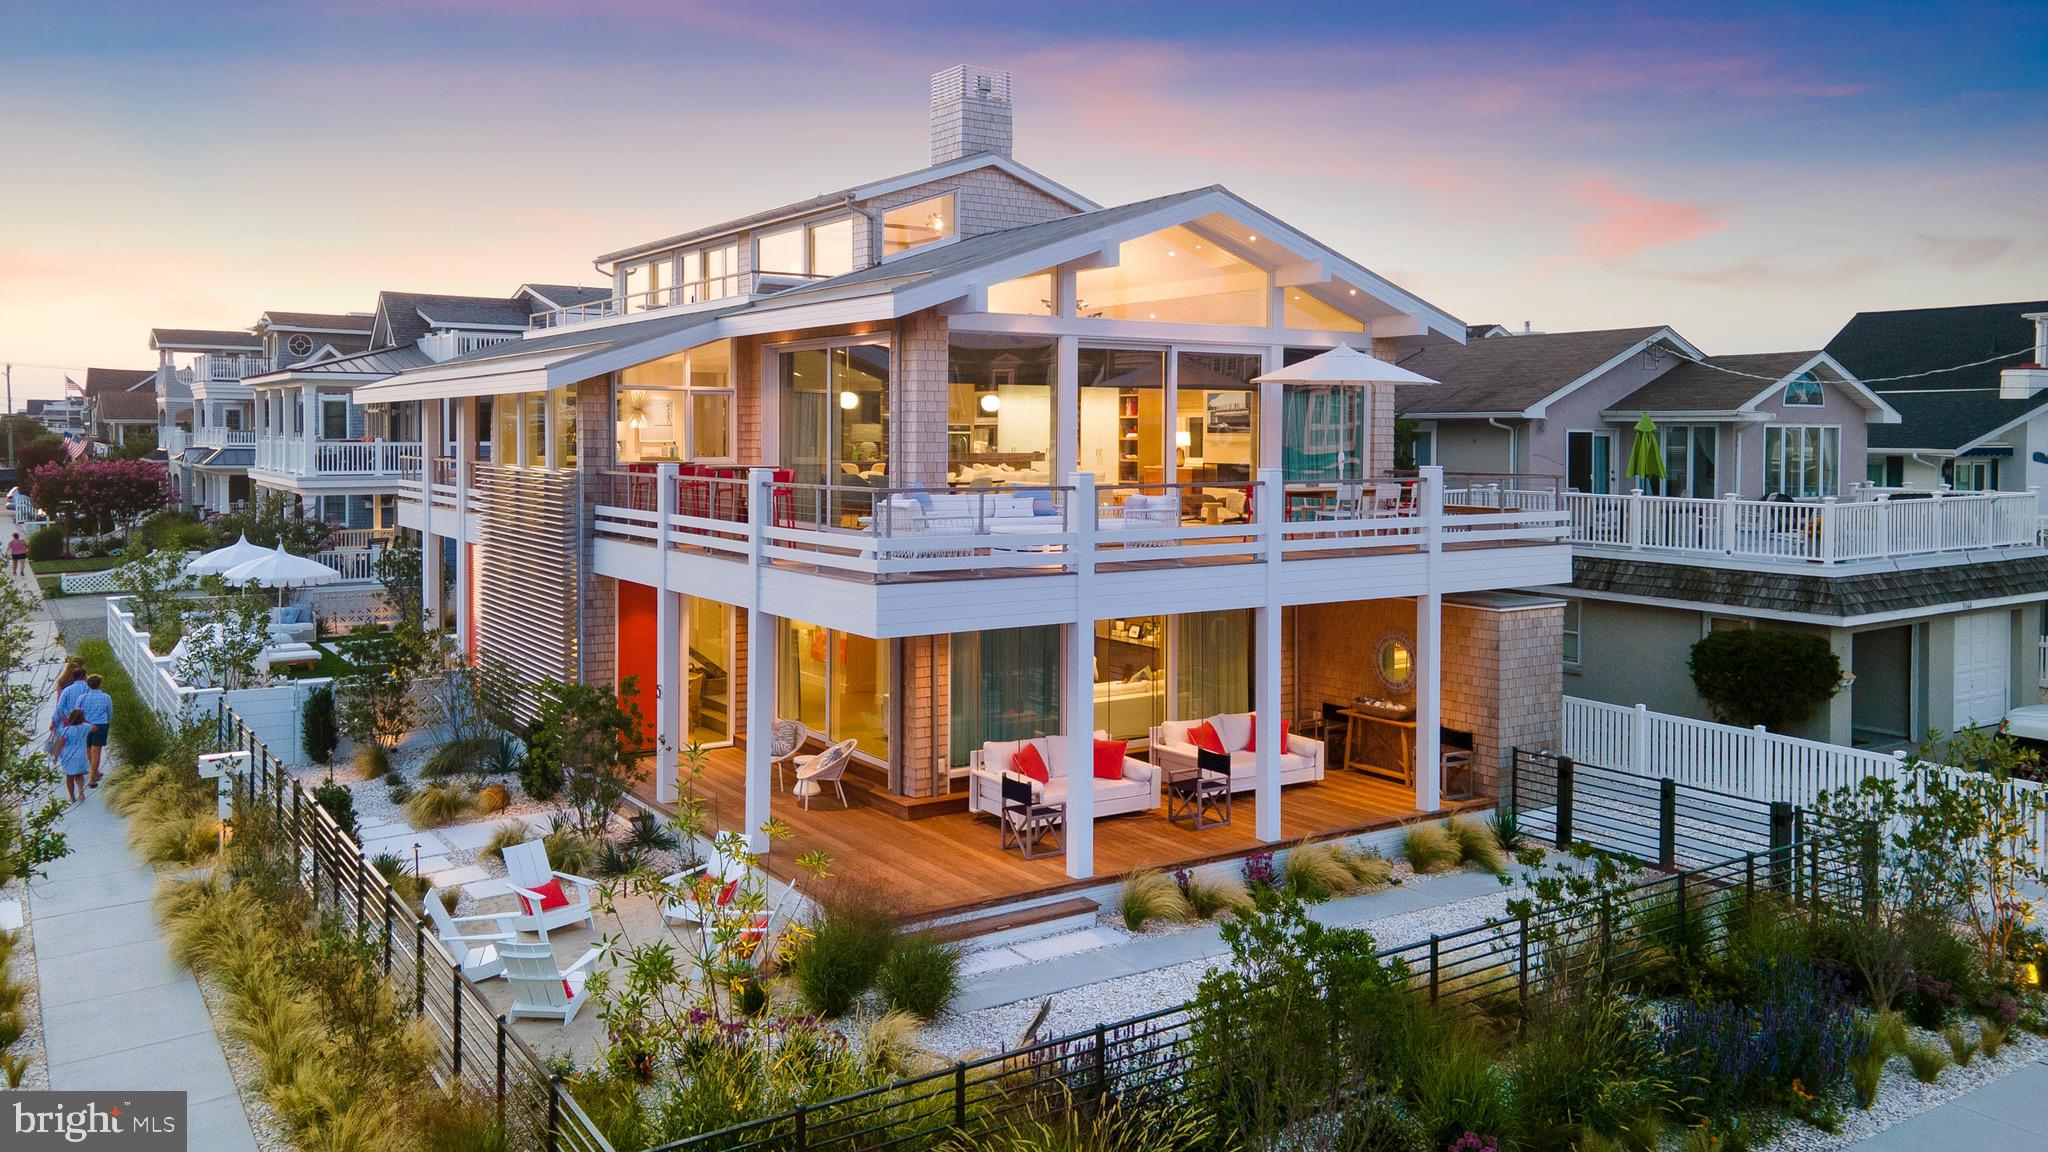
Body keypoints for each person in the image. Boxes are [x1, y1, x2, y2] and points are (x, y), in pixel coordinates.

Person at [79, 673, 113, 787]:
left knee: (88, 749)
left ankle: (95, 772)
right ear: (99, 684)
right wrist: (108, 720)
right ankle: (92, 778)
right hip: (101, 725)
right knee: (96, 751)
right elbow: (109, 712)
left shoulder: (82, 697)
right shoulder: (106, 697)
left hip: (85, 725)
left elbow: (77, 712)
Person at [53, 706, 92, 802]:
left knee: (69, 776)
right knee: (79, 774)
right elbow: (94, 728)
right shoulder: (86, 728)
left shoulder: (66, 730)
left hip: (68, 756)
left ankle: (72, 796)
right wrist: (86, 722)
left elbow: (60, 744)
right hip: (81, 755)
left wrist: (56, 756)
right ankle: (81, 791)